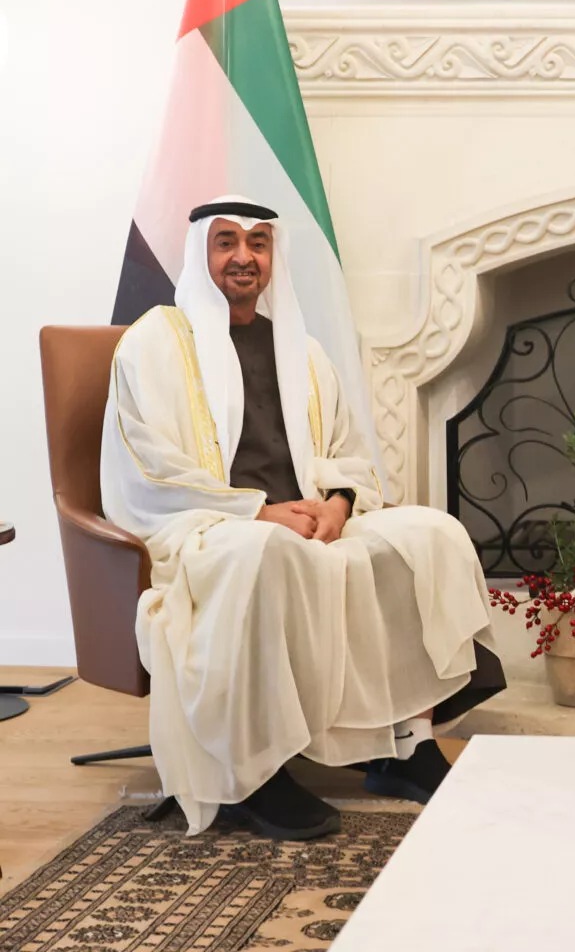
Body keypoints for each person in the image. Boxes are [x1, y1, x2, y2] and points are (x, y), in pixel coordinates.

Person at [102, 196, 505, 840]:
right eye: (227, 242)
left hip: (308, 519)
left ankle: (407, 747)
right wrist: (259, 511)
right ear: (201, 253)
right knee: (265, 553)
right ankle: (249, 776)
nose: (243, 257)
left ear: (272, 257)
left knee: (432, 534)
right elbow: (146, 466)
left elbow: (347, 450)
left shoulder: (303, 350)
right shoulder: (154, 344)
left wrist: (339, 504)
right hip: (209, 526)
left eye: (258, 244)